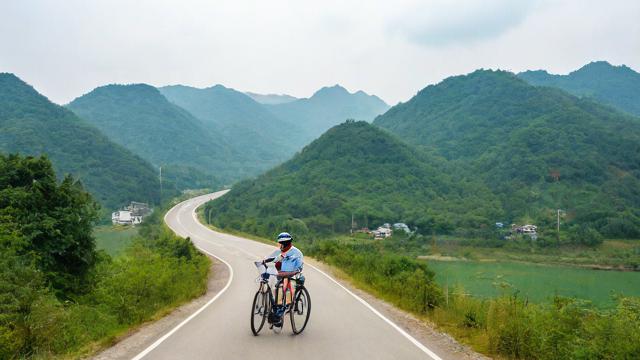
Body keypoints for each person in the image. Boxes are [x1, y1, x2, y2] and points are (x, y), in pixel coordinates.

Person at [262, 232, 304, 326]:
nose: (279, 245)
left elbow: (299, 267)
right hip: (282, 275)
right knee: (276, 289)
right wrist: (264, 261)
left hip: (293, 276)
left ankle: (284, 308)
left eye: (280, 243)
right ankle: (278, 310)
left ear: (284, 244)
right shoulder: (282, 253)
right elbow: (275, 259)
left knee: (285, 290)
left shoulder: (297, 253)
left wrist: (291, 273)